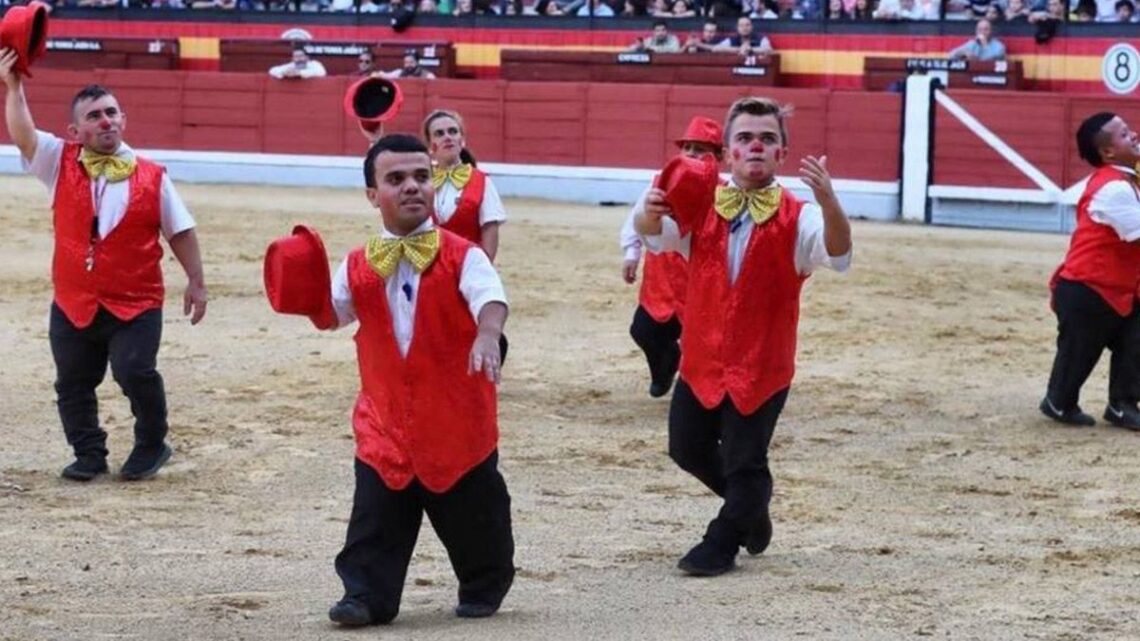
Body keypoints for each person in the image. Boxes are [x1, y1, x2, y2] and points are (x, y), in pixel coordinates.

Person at [633, 97, 852, 576]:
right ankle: (749, 508)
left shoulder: (801, 216)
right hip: (702, 358)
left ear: (782, 154)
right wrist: (648, 213)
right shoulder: (702, 202)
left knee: (744, 461)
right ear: (728, 153)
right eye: (746, 138)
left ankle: (723, 540)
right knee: (686, 449)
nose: (756, 145)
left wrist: (830, 201)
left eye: (768, 139)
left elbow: (838, 252)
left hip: (762, 365)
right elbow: (656, 234)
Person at [323, 134, 514, 626]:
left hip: (457, 419)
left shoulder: (464, 254)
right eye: (396, 179)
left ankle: (484, 582)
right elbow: (331, 315)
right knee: (375, 512)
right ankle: (365, 595)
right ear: (373, 195)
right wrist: (300, 292)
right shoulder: (356, 264)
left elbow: (489, 298)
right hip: (385, 419)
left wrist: (488, 334)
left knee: (473, 514)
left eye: (420, 176)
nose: (412, 187)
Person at [0, 48, 207, 482]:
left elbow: (181, 231)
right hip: (74, 298)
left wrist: (196, 282)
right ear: (76, 130)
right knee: (73, 383)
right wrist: (14, 85)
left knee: (134, 370)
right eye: (94, 116)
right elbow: (23, 135)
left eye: (111, 112)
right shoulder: (60, 162)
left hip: (137, 299)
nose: (105, 121)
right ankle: (89, 455)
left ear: (124, 120)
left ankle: (152, 444)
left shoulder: (153, 175)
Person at [1041, 112, 1140, 431]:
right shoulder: (1115, 189)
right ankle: (1058, 402)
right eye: (1125, 134)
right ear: (1108, 152)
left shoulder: (1127, 179)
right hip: (1087, 291)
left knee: (1136, 337)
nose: (1135, 135)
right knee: (1079, 353)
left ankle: (1123, 405)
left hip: (1118, 285)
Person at [620, 116, 724, 398]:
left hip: (703, 284)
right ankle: (664, 369)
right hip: (662, 282)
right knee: (644, 330)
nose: (691, 153)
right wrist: (631, 252)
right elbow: (638, 215)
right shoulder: (661, 182)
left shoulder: (727, 193)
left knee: (707, 344)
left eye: (700, 148)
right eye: (687, 147)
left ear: (718, 157)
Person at [422, 109, 506, 263]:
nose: (447, 137)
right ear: (429, 146)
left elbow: (490, 228)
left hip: (467, 266)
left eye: (453, 132)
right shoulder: (422, 181)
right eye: (439, 134)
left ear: (462, 140)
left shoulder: (482, 181)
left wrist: (483, 269)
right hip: (428, 266)